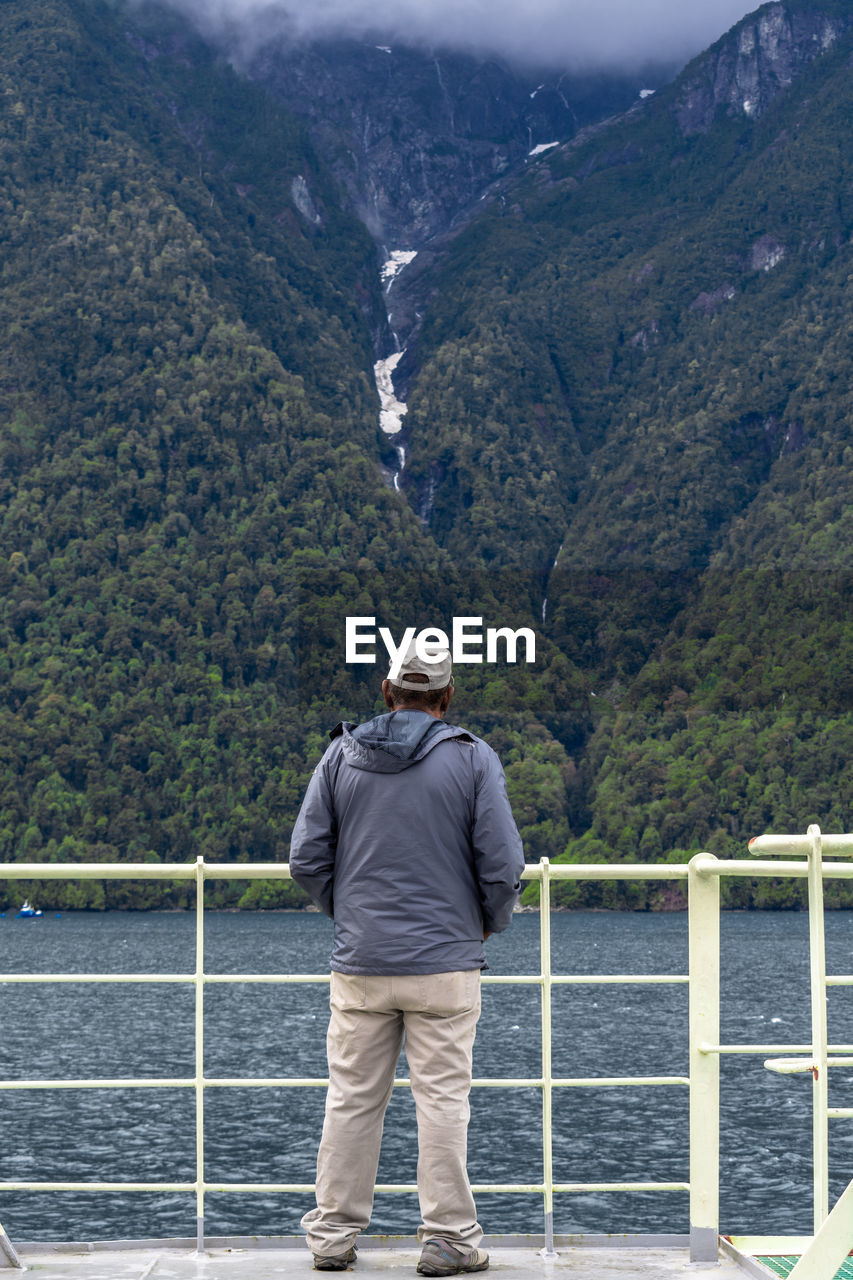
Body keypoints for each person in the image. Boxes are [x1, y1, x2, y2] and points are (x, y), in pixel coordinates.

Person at [289, 640, 525, 1276]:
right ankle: (447, 1238)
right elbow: (502, 866)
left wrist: (358, 918)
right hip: (446, 964)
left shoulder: (339, 755)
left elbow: (306, 859)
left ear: (386, 690)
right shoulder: (473, 759)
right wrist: (483, 926)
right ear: (446, 699)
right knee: (443, 1102)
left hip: (361, 962)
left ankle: (333, 1237)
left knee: (351, 1100)